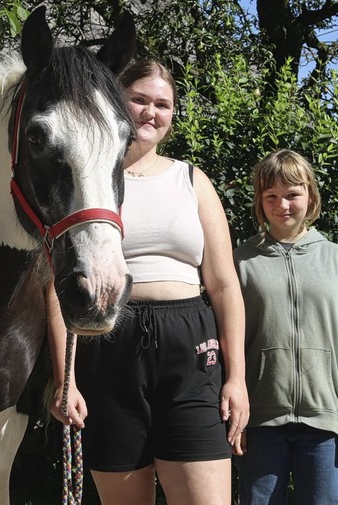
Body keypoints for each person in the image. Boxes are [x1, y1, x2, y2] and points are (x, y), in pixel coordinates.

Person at [48, 59, 249, 505]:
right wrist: (66, 380)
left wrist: (236, 378)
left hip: (192, 353)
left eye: (163, 104)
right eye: (138, 99)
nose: (150, 112)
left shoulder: (192, 180)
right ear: (117, 101)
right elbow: (55, 285)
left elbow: (224, 285)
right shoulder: (85, 177)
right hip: (108, 348)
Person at [233, 149, 338, 504]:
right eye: (271, 196)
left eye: (292, 194)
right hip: (260, 420)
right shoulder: (242, 261)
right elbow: (227, 339)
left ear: (310, 195)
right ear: (260, 201)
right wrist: (236, 416)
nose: (283, 205)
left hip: (325, 422)